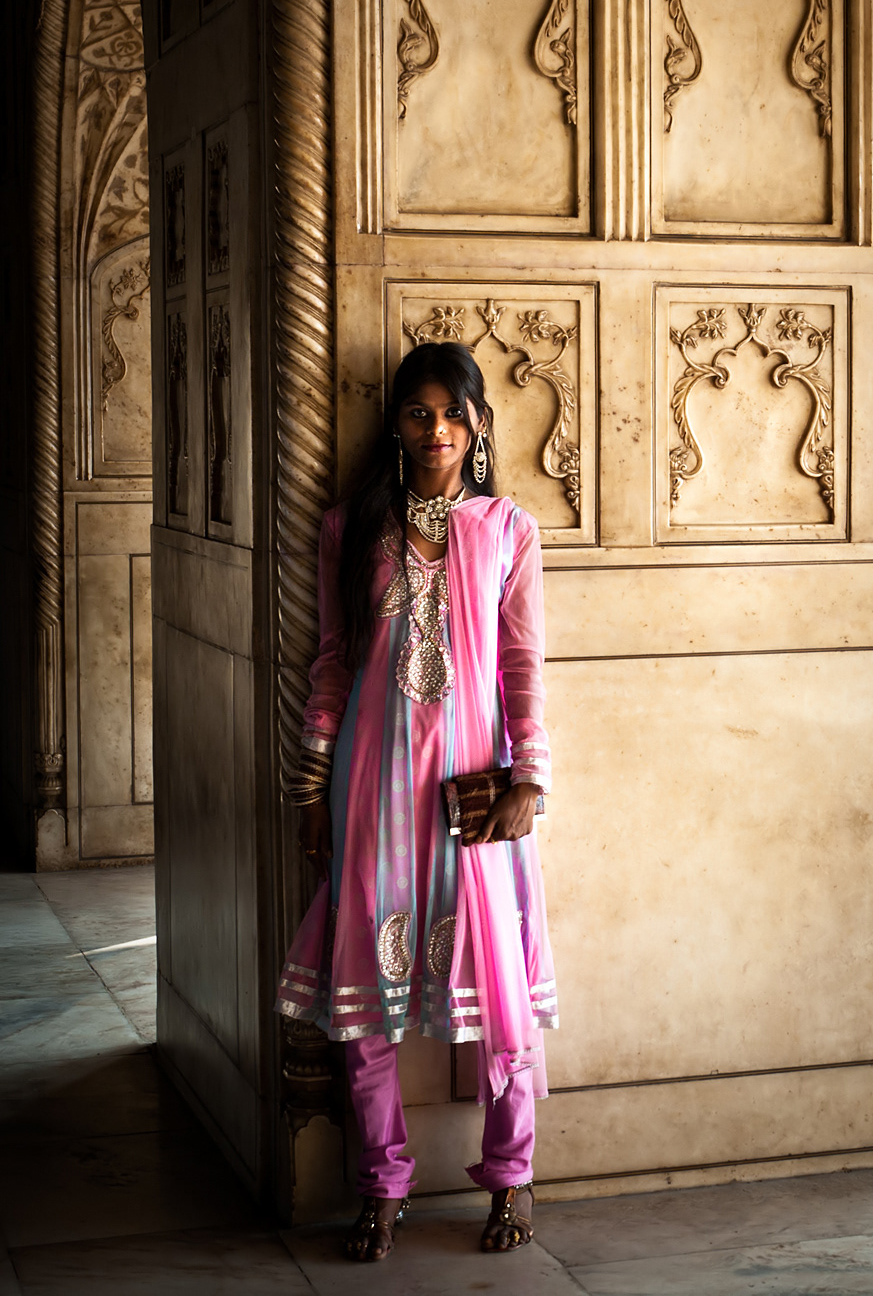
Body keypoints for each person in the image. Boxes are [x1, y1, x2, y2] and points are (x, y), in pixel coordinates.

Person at [275, 342, 557, 1262]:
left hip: (475, 796)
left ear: (477, 423)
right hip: (373, 787)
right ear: (395, 426)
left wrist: (529, 783)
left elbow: (522, 667)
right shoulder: (351, 529)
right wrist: (312, 788)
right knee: (365, 1005)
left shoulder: (508, 530)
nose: (433, 428)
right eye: (415, 412)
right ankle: (380, 1187)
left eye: (448, 411)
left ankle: (511, 1178)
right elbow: (330, 663)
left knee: (500, 1000)